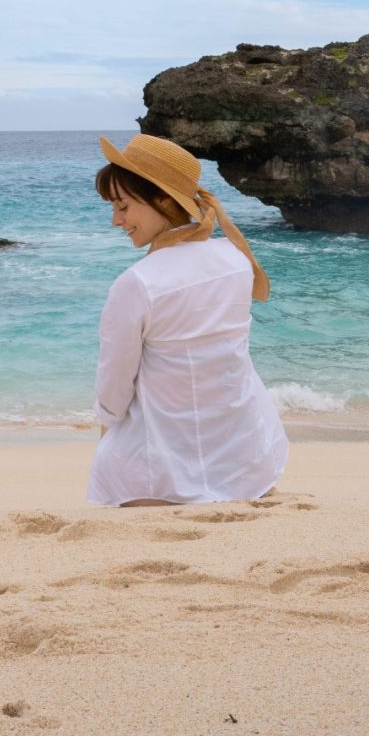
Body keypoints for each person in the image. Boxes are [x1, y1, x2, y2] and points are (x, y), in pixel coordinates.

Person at [87, 132, 289, 507]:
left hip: (163, 473)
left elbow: (114, 388)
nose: (116, 220)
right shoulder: (234, 259)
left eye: (123, 206)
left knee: (114, 459)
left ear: (163, 200)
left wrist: (107, 438)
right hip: (247, 458)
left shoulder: (137, 283)